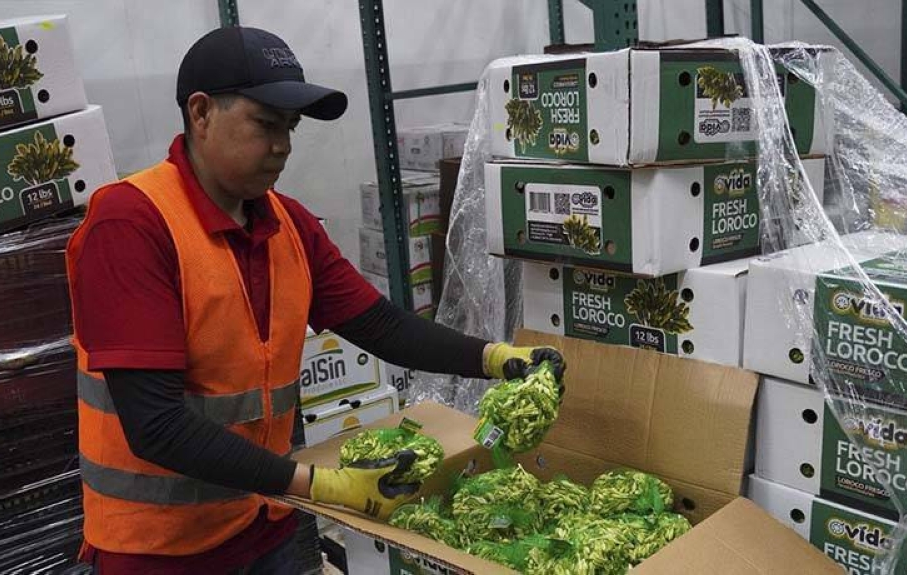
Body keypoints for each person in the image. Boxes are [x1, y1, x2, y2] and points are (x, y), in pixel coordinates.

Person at [66, 26, 565, 575]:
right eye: (264, 124)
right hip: (162, 551)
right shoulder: (132, 224)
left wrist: (494, 358)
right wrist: (325, 485)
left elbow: (380, 327)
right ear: (201, 113)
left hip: (265, 525)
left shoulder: (288, 224)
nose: (282, 145)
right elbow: (155, 424)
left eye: (291, 127)